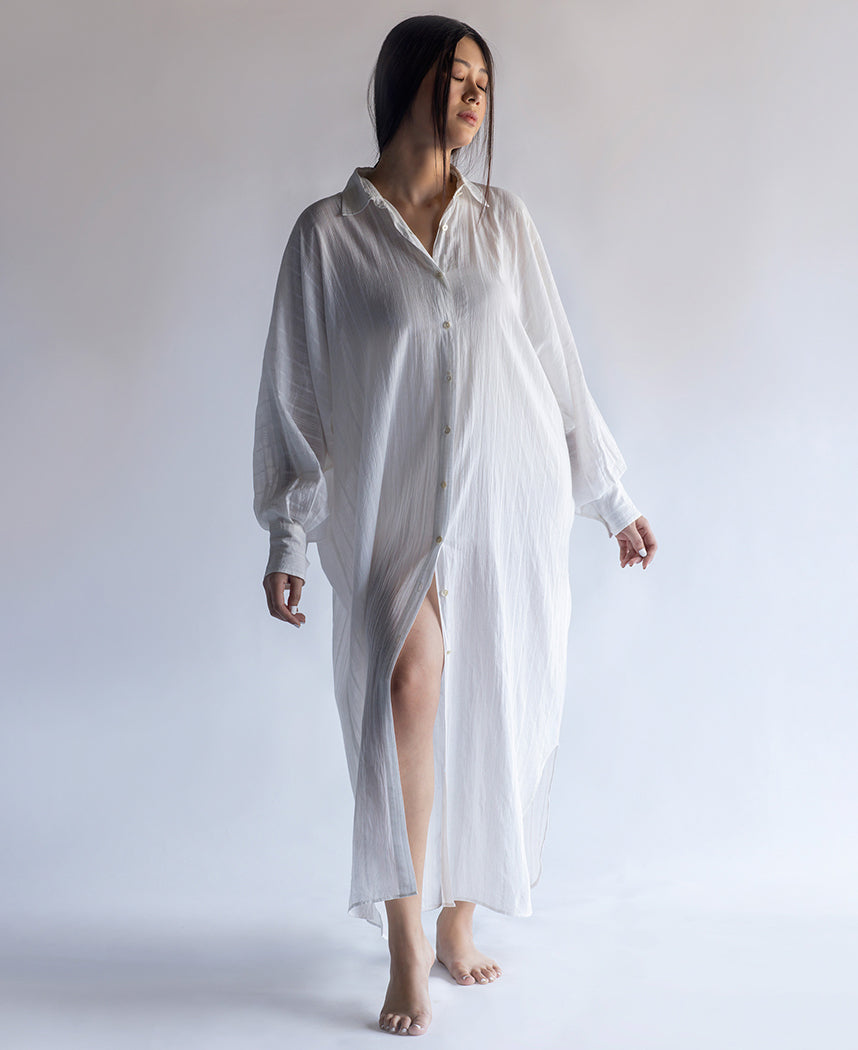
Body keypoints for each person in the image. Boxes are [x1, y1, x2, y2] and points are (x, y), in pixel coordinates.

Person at [253, 14, 657, 1037]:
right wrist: (290, 535)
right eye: (457, 74)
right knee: (406, 686)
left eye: (485, 80)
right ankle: (405, 946)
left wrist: (612, 499)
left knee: (495, 699)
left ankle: (459, 918)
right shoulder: (328, 236)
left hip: (505, 500)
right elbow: (297, 400)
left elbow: (555, 365)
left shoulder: (502, 223)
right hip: (390, 507)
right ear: (409, 81)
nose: (476, 94)